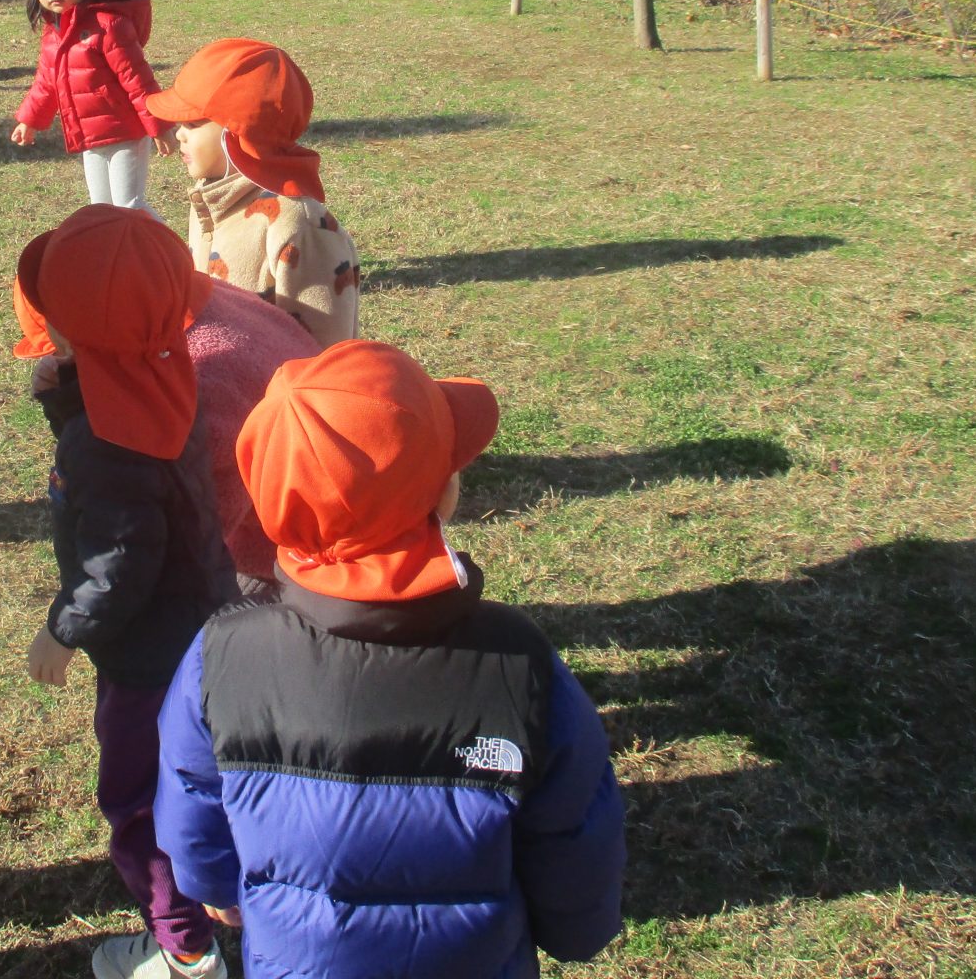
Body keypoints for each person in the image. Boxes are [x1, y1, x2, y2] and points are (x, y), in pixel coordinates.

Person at [155, 341, 628, 979]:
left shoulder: (220, 655)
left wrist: (215, 885)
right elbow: (575, 827)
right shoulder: (518, 662)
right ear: (436, 494)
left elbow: (192, 797)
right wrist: (577, 930)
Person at [15, 207, 240, 979]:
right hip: (202, 622)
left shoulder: (104, 443)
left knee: (139, 803)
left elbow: (117, 561)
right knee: (203, 779)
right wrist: (65, 395)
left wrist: (64, 628)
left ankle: (183, 946)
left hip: (147, 663)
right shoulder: (162, 367)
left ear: (73, 333)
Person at [13, 223, 318, 597]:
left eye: (67, 347)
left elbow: (195, 539)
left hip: (284, 557)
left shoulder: (201, 386)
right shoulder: (175, 297)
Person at [146, 38, 359, 350]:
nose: (178, 133)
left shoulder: (298, 225)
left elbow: (323, 354)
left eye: (192, 123)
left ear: (239, 131)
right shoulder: (211, 199)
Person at [10, 0, 171, 209]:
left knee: (129, 205)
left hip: (126, 132)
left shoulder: (109, 25)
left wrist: (158, 125)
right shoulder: (54, 34)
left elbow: (137, 80)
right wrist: (29, 119)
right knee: (101, 208)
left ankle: (170, 255)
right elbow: (46, 83)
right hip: (90, 137)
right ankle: (116, 256)